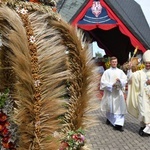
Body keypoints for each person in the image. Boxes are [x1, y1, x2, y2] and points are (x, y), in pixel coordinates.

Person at [100, 56, 127, 132]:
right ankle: (109, 119)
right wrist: (111, 85)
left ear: (117, 62)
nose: (114, 63)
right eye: (113, 62)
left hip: (118, 93)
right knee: (111, 108)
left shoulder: (120, 71)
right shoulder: (107, 72)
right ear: (110, 62)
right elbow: (102, 82)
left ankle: (119, 124)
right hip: (110, 92)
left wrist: (120, 81)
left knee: (119, 108)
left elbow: (125, 79)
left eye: (115, 62)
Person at [127, 50, 150, 136]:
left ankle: (146, 129)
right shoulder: (140, 73)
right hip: (143, 97)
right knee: (144, 113)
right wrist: (129, 69)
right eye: (146, 63)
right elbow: (131, 78)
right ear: (144, 63)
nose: (148, 65)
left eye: (149, 63)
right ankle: (144, 127)